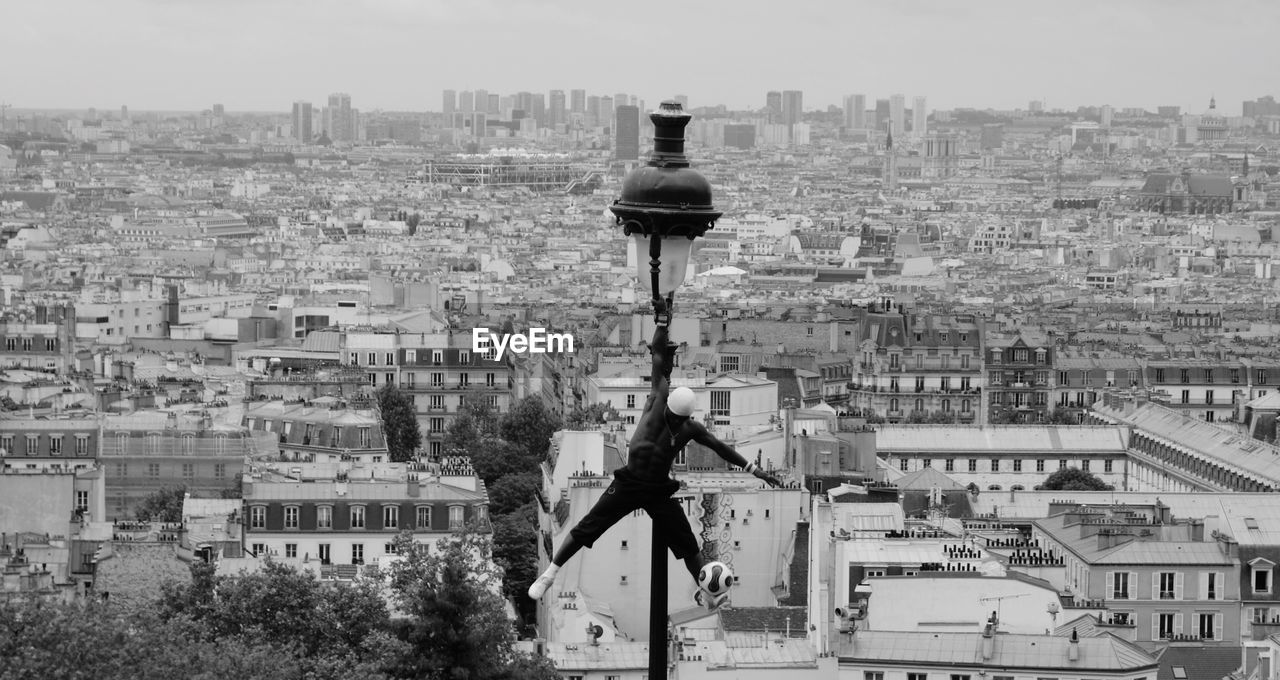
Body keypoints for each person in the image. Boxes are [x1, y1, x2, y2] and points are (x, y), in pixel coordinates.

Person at [528, 301, 783, 609]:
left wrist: (754, 470)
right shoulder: (658, 398)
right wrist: (661, 322)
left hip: (657, 489)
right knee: (587, 526)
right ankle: (550, 575)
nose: (672, 422)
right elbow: (658, 357)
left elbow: (721, 447)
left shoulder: (689, 427)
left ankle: (710, 594)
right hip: (630, 481)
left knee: (687, 541)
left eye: (677, 420)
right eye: (672, 417)